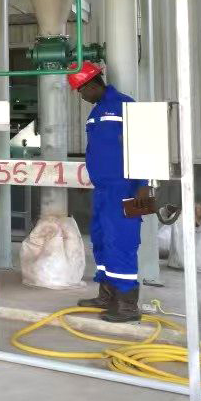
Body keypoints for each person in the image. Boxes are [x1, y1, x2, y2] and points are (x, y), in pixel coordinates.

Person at [68, 61, 155, 323]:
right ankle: (108, 294)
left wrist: (144, 184)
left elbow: (144, 144)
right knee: (102, 239)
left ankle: (127, 305)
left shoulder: (124, 105)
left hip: (126, 188)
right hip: (103, 190)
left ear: (91, 84)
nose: (81, 97)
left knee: (122, 241)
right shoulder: (97, 112)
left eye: (81, 91)